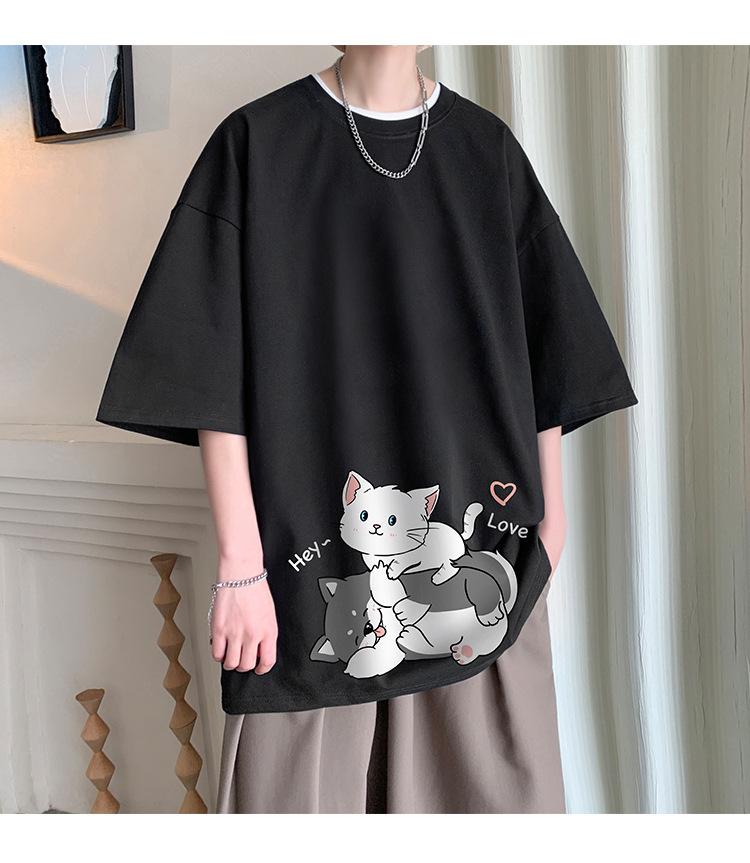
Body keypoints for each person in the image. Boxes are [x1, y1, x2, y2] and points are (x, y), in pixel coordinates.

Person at [96, 45, 637, 813]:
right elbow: (208, 370)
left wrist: (551, 523)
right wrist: (241, 565)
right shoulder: (256, 145)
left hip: (476, 580)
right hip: (305, 593)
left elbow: (549, 348)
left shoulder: (486, 150)